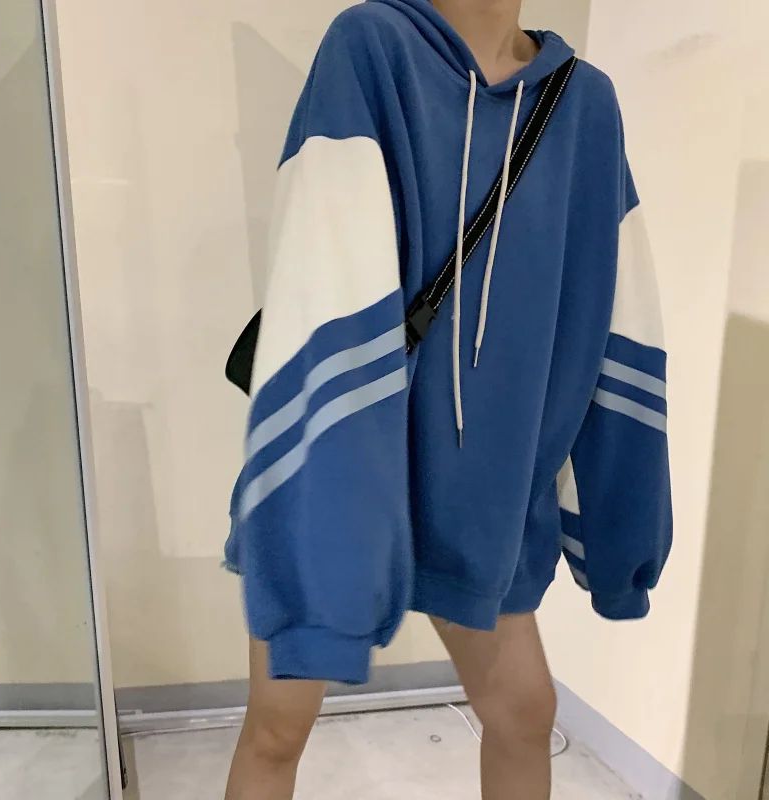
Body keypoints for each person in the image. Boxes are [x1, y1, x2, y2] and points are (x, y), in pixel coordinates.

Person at [223, 0, 673, 797]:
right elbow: (318, 274)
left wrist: (621, 536)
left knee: (524, 713)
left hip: (485, 498)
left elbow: (614, 322)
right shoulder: (372, 47)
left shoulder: (584, 103)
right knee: (278, 727)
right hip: (343, 476)